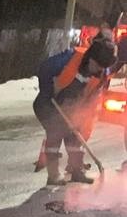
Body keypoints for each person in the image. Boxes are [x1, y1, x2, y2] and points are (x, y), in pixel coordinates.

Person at [33, 37, 116, 186]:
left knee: (75, 138)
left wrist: (81, 116)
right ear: (90, 57)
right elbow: (44, 68)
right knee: (55, 133)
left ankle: (77, 171)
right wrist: (47, 93)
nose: (98, 69)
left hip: (72, 106)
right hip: (49, 103)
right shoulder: (69, 59)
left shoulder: (103, 72)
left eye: (102, 67)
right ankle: (53, 176)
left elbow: (93, 97)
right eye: (96, 65)